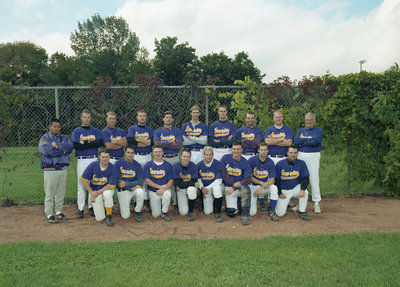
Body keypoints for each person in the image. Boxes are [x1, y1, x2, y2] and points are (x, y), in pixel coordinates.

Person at [39, 118, 73, 224]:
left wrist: (57, 147)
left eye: (58, 126)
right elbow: (47, 150)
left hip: (62, 169)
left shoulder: (64, 137)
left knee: (61, 192)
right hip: (51, 169)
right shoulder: (45, 138)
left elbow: (70, 147)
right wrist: (63, 151)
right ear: (49, 127)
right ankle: (49, 213)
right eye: (54, 126)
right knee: (50, 193)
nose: (57, 128)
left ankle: (59, 211)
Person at [71, 109, 103, 219]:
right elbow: (76, 145)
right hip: (82, 159)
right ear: (81, 118)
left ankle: (91, 207)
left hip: (93, 159)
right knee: (81, 184)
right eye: (84, 117)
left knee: (92, 183)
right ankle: (80, 209)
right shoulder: (77, 131)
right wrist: (91, 144)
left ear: (91, 118)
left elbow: (99, 143)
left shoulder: (95, 130)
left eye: (88, 117)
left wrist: (85, 142)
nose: (86, 119)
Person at [154, 111, 183, 213]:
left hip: (175, 158)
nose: (168, 119)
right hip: (163, 158)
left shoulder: (177, 131)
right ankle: (163, 202)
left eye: (170, 117)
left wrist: (164, 144)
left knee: (175, 181)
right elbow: (157, 144)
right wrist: (171, 142)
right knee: (163, 180)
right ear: (163, 119)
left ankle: (175, 203)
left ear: (173, 120)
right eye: (166, 117)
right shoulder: (158, 131)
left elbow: (179, 146)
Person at [80, 149, 118, 227]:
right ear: (99, 157)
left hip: (106, 190)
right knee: (99, 218)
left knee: (107, 195)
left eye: (107, 157)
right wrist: (91, 192)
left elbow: (110, 186)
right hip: (94, 191)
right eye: (103, 157)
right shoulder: (93, 165)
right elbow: (83, 179)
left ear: (109, 157)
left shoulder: (112, 168)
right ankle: (105, 207)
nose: (105, 159)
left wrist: (96, 193)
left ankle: (109, 215)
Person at [294, 112, 323, 214]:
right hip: (301, 155)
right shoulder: (300, 130)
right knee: (300, 178)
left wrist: (303, 141)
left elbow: (315, 142)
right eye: (307, 120)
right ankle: (300, 202)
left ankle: (316, 203)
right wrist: (307, 140)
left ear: (314, 120)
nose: (308, 122)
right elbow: (296, 142)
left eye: (310, 120)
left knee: (314, 178)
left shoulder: (318, 131)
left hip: (313, 155)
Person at [127, 110, 154, 213]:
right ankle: (136, 201)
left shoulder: (150, 129)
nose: (142, 117)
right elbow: (131, 142)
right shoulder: (132, 128)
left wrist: (138, 140)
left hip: (147, 156)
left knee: (147, 178)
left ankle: (146, 200)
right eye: (140, 116)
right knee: (135, 178)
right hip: (136, 156)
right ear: (137, 117)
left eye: (144, 116)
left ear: (146, 118)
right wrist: (145, 142)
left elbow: (152, 142)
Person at [275, 146, 311, 221]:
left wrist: (302, 189)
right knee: (280, 214)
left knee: (305, 192)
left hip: (295, 188)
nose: (293, 154)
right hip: (284, 190)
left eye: (295, 153)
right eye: (291, 152)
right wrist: (279, 193)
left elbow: (305, 178)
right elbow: (276, 180)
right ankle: (283, 204)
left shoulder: (302, 163)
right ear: (287, 153)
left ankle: (302, 211)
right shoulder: (280, 164)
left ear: (297, 153)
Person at [221, 141, 252, 225]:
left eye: (238, 149)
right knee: (231, 213)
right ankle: (238, 207)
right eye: (234, 149)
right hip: (230, 187)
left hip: (240, 187)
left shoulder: (245, 162)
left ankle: (245, 216)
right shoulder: (225, 158)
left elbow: (248, 178)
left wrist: (236, 186)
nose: (236, 151)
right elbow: (224, 173)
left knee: (246, 190)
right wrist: (233, 184)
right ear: (232, 149)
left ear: (242, 150)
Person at [248, 143, 279, 221]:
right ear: (258, 150)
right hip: (252, 186)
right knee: (252, 213)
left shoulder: (270, 162)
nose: (263, 152)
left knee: (274, 188)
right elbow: (249, 177)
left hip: (264, 187)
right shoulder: (252, 160)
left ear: (268, 151)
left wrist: (261, 187)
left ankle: (272, 211)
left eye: (265, 150)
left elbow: (272, 179)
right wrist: (261, 183)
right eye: (261, 150)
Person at [114, 145, 145, 222]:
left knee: (140, 192)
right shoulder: (118, 163)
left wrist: (127, 185)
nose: (130, 155)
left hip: (133, 189)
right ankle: (121, 205)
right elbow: (119, 183)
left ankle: (137, 211)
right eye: (128, 152)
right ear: (125, 153)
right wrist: (132, 186)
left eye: (132, 153)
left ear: (134, 154)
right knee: (125, 216)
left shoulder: (137, 165)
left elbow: (140, 181)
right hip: (123, 190)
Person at [144, 145, 174, 222]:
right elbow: (147, 180)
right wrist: (159, 187)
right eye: (156, 152)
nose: (158, 153)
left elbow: (171, 180)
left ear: (163, 152)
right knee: (156, 215)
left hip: (165, 190)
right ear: (152, 153)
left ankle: (164, 212)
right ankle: (158, 206)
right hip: (153, 191)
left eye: (160, 151)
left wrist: (165, 188)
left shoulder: (168, 165)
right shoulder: (148, 165)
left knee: (167, 194)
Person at [197, 147, 224, 223]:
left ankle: (218, 212)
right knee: (207, 212)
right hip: (205, 189)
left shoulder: (218, 164)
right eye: (206, 155)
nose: (208, 156)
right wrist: (202, 188)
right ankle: (214, 203)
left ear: (213, 155)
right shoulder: (199, 165)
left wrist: (206, 188)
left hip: (216, 186)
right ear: (203, 155)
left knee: (217, 189)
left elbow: (219, 180)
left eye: (210, 154)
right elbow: (199, 179)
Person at [173, 149, 199, 221]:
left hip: (189, 188)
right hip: (181, 189)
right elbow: (179, 184)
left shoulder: (193, 166)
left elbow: (194, 181)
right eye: (184, 156)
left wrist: (191, 183)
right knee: (183, 212)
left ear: (190, 157)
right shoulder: (175, 166)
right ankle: (190, 202)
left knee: (191, 190)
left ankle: (190, 212)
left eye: (188, 156)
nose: (186, 158)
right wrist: (192, 183)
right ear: (181, 156)